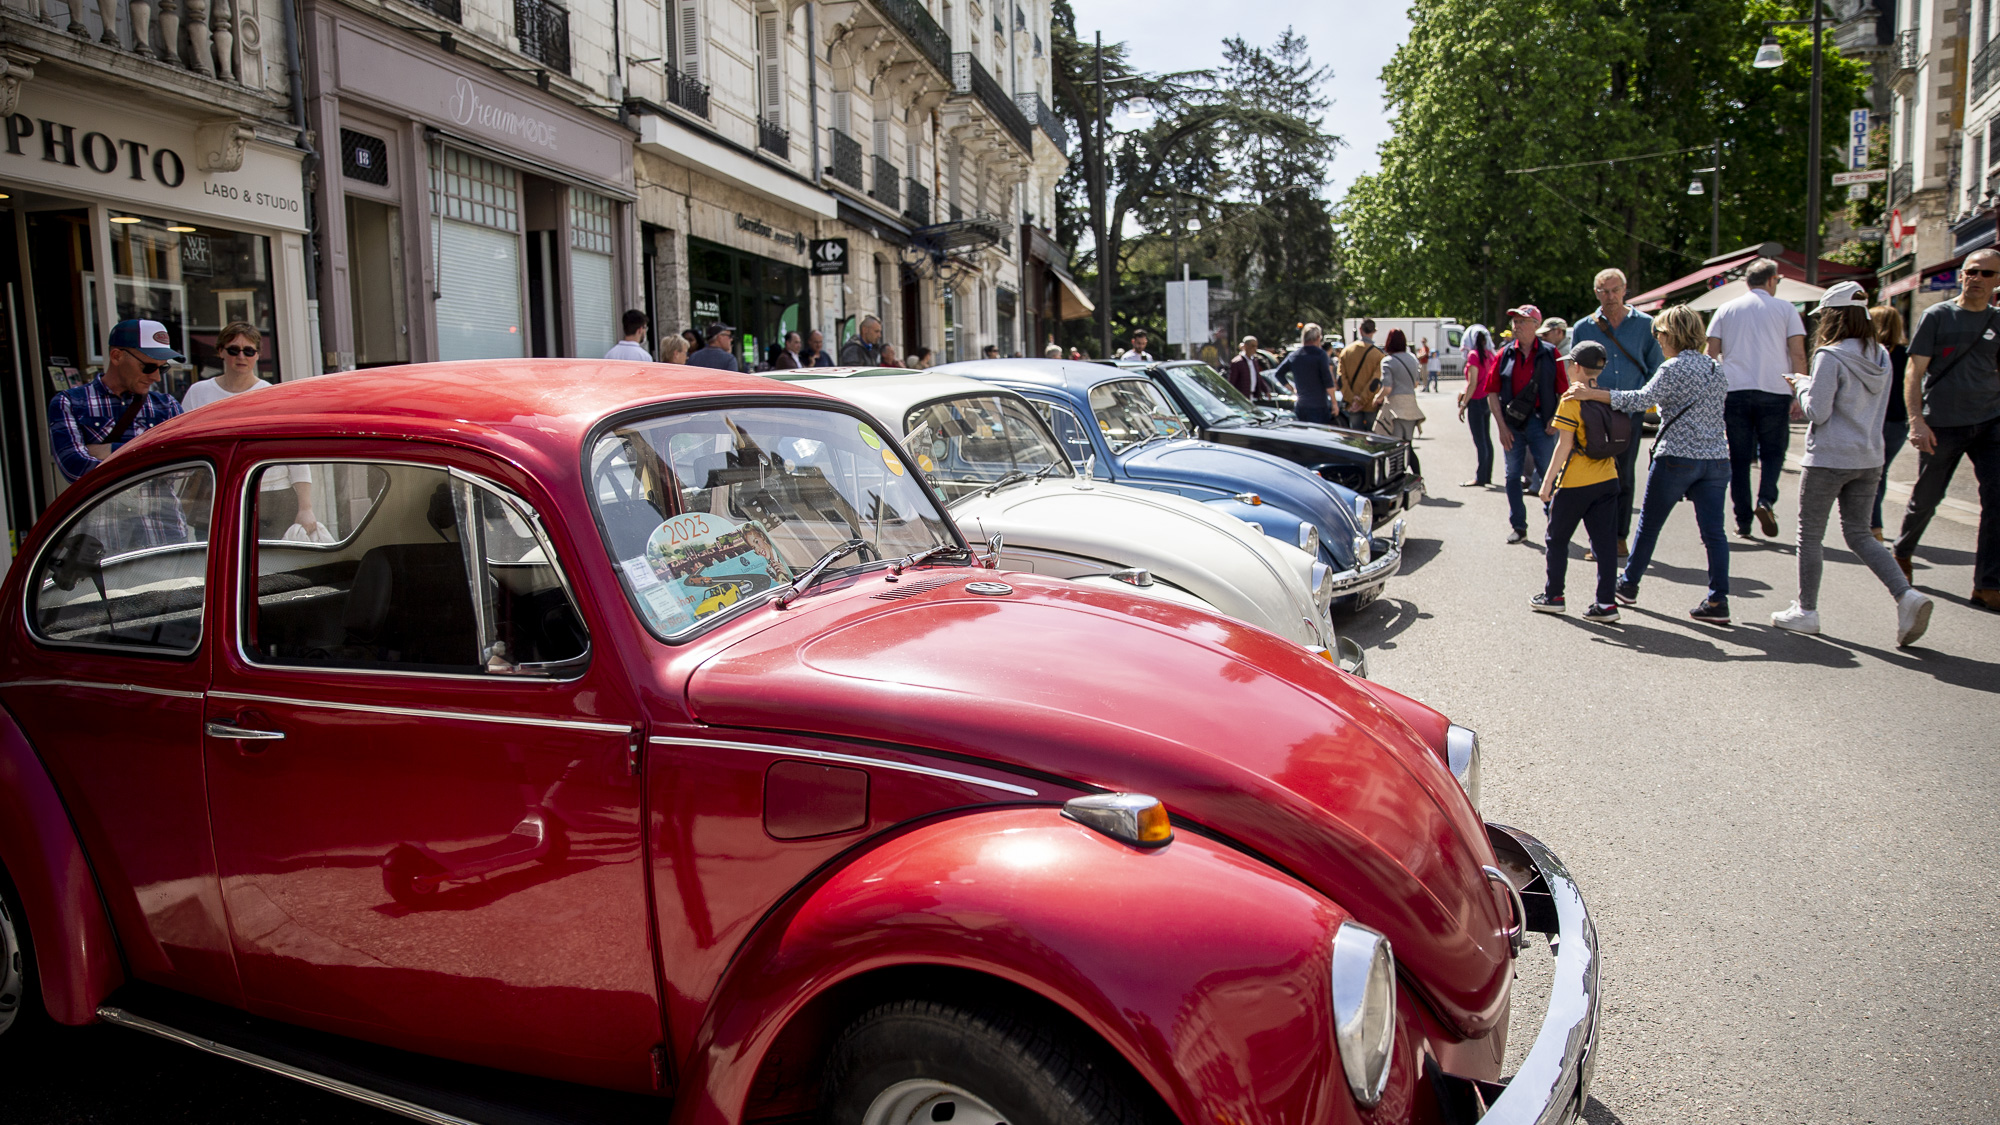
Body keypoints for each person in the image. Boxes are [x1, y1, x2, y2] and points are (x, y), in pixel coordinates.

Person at [1769, 282, 1934, 644]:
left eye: (1823, 315)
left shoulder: (1831, 355)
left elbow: (1818, 410)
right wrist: (1813, 383)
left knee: (1810, 534)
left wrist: (1800, 385)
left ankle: (1806, 610)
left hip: (1829, 457)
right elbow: (1853, 398)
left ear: (1833, 316)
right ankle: (1906, 595)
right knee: (1860, 533)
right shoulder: (1881, 356)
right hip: (1869, 456)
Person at [1566, 303, 1733, 624]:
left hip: (1677, 457)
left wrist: (1592, 394)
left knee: (1649, 526)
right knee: (1715, 534)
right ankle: (1718, 600)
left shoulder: (1672, 368)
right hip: (1715, 459)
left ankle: (1628, 586)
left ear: (1673, 335)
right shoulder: (1716, 369)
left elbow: (1641, 400)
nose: (1656, 340)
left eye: (1659, 334)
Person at [1895, 245, 2000, 610]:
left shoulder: (1997, 320)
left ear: (1997, 281)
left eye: (1986, 274)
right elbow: (1914, 372)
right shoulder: (1937, 316)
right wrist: (1916, 420)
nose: (1976, 279)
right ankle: (1903, 552)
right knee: (1927, 498)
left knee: (1997, 502)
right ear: (1961, 275)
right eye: (1971, 271)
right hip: (1942, 422)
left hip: (1991, 422)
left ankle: (1987, 584)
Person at [1706, 257, 1807, 539]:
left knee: (1738, 458)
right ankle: (1766, 500)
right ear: (1772, 280)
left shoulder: (1726, 309)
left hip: (1735, 390)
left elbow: (1710, 353)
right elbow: (1798, 352)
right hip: (1775, 390)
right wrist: (1799, 391)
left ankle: (1743, 520)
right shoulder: (1786, 309)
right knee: (1773, 453)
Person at [1570, 268, 1665, 560]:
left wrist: (1642, 398)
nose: (1610, 297)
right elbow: (1577, 369)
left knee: (1623, 475)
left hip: (1629, 412)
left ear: (1625, 290)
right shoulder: (1584, 327)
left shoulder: (1647, 325)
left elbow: (1656, 368)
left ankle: (1619, 536)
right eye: (1603, 291)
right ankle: (1597, 538)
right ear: (1596, 293)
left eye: (1614, 290)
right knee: (1592, 473)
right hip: (1594, 411)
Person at [1531, 341, 1621, 623]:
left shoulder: (1571, 399)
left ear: (1578, 367)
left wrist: (1546, 484)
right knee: (1604, 544)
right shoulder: (1608, 395)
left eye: (1571, 364)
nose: (1568, 368)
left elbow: (1564, 445)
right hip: (1608, 478)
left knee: (1556, 539)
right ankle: (1606, 603)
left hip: (1574, 483)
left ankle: (1554, 596)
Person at [50, 318, 185, 482]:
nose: (156, 377)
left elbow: (183, 466)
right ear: (116, 356)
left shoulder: (166, 404)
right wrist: (153, 457)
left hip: (160, 507)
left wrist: (110, 450)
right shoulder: (70, 402)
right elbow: (75, 469)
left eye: (163, 368)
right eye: (148, 367)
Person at [1486, 304, 1565, 544]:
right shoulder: (1504, 354)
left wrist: (1556, 419)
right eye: (1515, 321)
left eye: (1522, 321)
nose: (1516, 326)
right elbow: (1491, 393)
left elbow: (1564, 391)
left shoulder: (1552, 354)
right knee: (1512, 477)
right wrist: (1501, 427)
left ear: (1536, 325)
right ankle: (1519, 527)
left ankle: (1555, 525)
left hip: (1543, 424)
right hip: (1513, 427)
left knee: (1548, 474)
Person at [1868, 305, 1909, 540]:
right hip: (1897, 424)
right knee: (1880, 473)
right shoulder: (1906, 354)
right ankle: (1873, 525)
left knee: (1870, 474)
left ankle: (1873, 525)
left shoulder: (1872, 354)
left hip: (1874, 420)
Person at [183, 321, 271, 409]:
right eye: (234, 350)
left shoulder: (269, 394)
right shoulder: (197, 392)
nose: (241, 357)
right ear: (221, 352)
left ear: (258, 354)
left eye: (249, 351)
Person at [1374, 330, 1426, 476]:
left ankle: (1396, 479)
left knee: (1395, 448)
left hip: (1395, 408)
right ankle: (1418, 478)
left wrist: (1377, 398)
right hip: (1411, 405)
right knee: (1408, 446)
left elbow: (1387, 388)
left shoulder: (1388, 361)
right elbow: (1416, 383)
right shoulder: (1412, 358)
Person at [1457, 326, 1497, 487]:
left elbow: (1472, 383)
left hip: (1476, 400)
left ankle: (1480, 477)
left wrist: (1463, 404)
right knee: (1486, 439)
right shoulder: (1490, 355)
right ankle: (1487, 475)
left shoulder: (1474, 356)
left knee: (1479, 440)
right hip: (1487, 398)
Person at [1336, 319, 1385, 430]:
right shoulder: (1378, 355)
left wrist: (1353, 399)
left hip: (1351, 403)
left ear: (1360, 330)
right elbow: (1375, 381)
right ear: (1374, 332)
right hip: (1370, 404)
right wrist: (1362, 400)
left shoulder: (1346, 351)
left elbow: (1340, 379)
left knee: (1355, 438)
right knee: (1372, 437)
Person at [1282, 324, 1337, 424]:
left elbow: (1279, 374)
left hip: (1301, 405)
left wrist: (1292, 388)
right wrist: (1334, 403)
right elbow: (1328, 381)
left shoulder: (1295, 355)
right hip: (1318, 406)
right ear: (1318, 338)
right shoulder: (1320, 355)